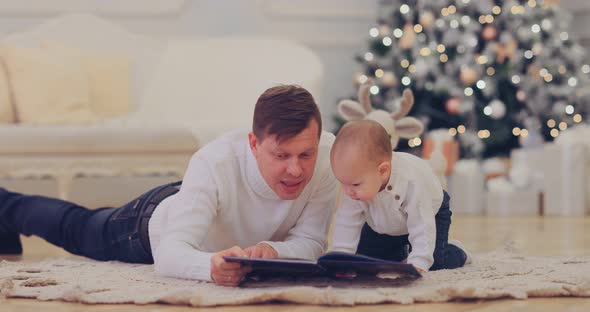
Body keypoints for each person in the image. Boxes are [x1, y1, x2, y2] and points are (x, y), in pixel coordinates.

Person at [0, 85, 338, 286]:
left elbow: (311, 241)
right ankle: (5, 205)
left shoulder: (327, 158)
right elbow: (170, 254)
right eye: (281, 155)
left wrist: (275, 250)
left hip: (202, 202)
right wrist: (210, 268)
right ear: (253, 143)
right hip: (149, 225)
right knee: (78, 226)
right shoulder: (214, 162)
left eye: (305, 154)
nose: (296, 170)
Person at [328, 120, 471, 273]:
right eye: (342, 183)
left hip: (430, 212)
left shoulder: (411, 183)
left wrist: (420, 261)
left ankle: (457, 251)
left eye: (355, 185)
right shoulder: (355, 183)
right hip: (386, 222)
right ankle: (401, 251)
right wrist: (342, 258)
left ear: (382, 171)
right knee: (368, 259)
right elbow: (346, 221)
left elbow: (422, 223)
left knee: (435, 262)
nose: (348, 191)